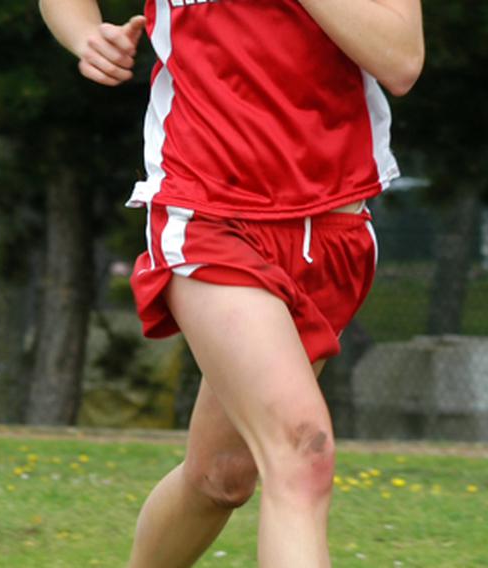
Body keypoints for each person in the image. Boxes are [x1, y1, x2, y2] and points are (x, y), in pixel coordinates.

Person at [38, 1, 424, 566]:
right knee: (301, 453)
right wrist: (84, 37)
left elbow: (401, 58)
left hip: (333, 224)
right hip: (208, 212)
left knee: (221, 476)